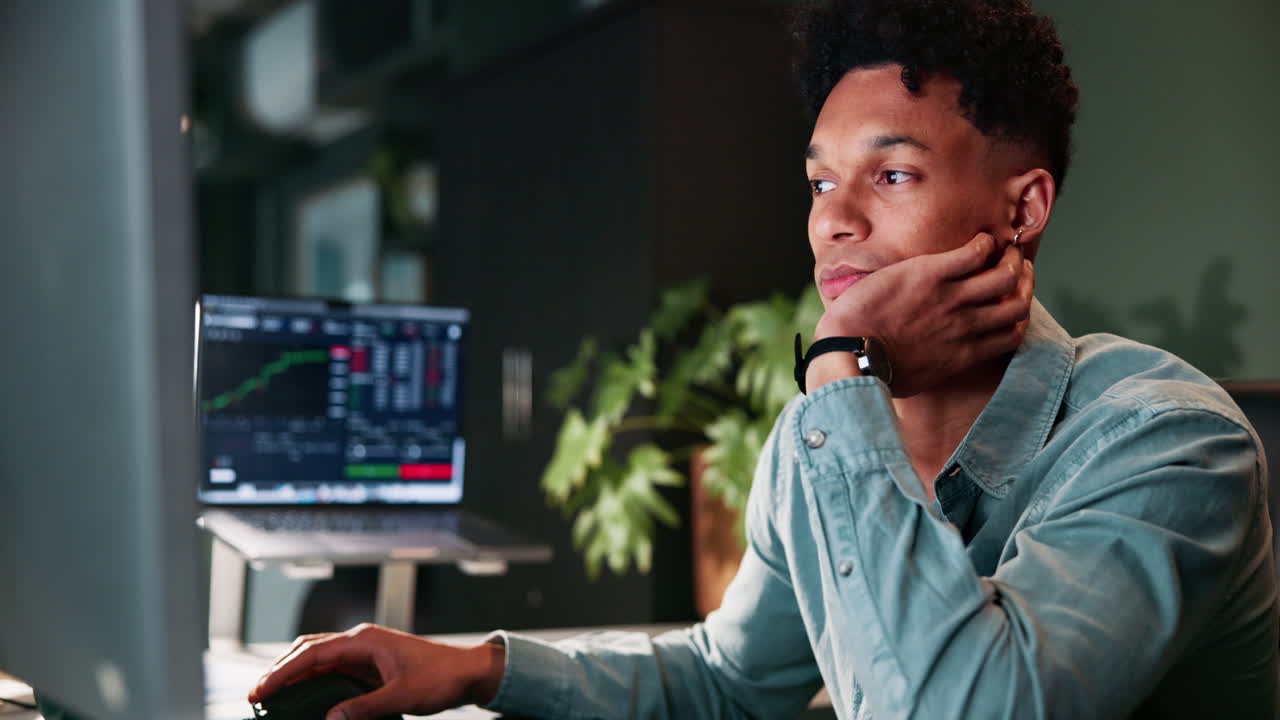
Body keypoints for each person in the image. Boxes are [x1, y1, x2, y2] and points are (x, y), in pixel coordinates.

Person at [250, 0, 1280, 717]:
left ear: (1021, 209)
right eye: (822, 182)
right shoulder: (820, 438)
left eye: (892, 172)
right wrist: (475, 669)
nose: (834, 222)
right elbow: (729, 684)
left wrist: (841, 369)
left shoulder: (1163, 436)